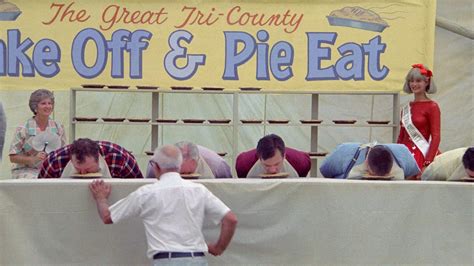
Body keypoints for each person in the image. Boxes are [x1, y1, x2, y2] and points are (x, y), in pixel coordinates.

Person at [89, 145, 237, 265]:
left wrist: (101, 198)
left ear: (156, 167)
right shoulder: (199, 190)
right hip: (197, 259)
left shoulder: (146, 193)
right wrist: (218, 248)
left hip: (166, 259)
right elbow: (230, 219)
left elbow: (107, 217)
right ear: (179, 166)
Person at [9, 89, 66, 178]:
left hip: (51, 170)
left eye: (50, 103)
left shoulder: (59, 128)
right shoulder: (23, 129)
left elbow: (63, 153)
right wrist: (33, 159)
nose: (47, 106)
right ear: (35, 107)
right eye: (43, 103)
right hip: (27, 171)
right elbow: (13, 157)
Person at [397, 64, 441, 174]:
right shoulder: (406, 108)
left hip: (423, 154)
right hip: (405, 155)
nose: (414, 84)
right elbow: (401, 136)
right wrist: (396, 154)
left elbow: (436, 137)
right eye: (411, 81)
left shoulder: (432, 106)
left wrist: (428, 162)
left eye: (418, 81)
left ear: (427, 82)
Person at [38, 138, 143, 178]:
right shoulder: (54, 162)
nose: (83, 174)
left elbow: (138, 189)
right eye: (78, 169)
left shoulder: (121, 158)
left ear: (98, 157)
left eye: (88, 169)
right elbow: (40, 193)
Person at [320, 142, 420, 180]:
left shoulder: (402, 154)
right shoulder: (344, 152)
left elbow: (413, 175)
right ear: (366, 161)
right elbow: (325, 170)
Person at [235, 134, 311, 178]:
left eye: (277, 164)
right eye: (267, 165)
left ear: (284, 156)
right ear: (259, 158)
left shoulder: (301, 163)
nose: (272, 171)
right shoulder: (243, 165)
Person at [146, 142, 232, 179]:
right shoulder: (156, 165)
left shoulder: (218, 166)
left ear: (197, 161)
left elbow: (225, 193)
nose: (186, 179)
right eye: (181, 173)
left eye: (189, 173)